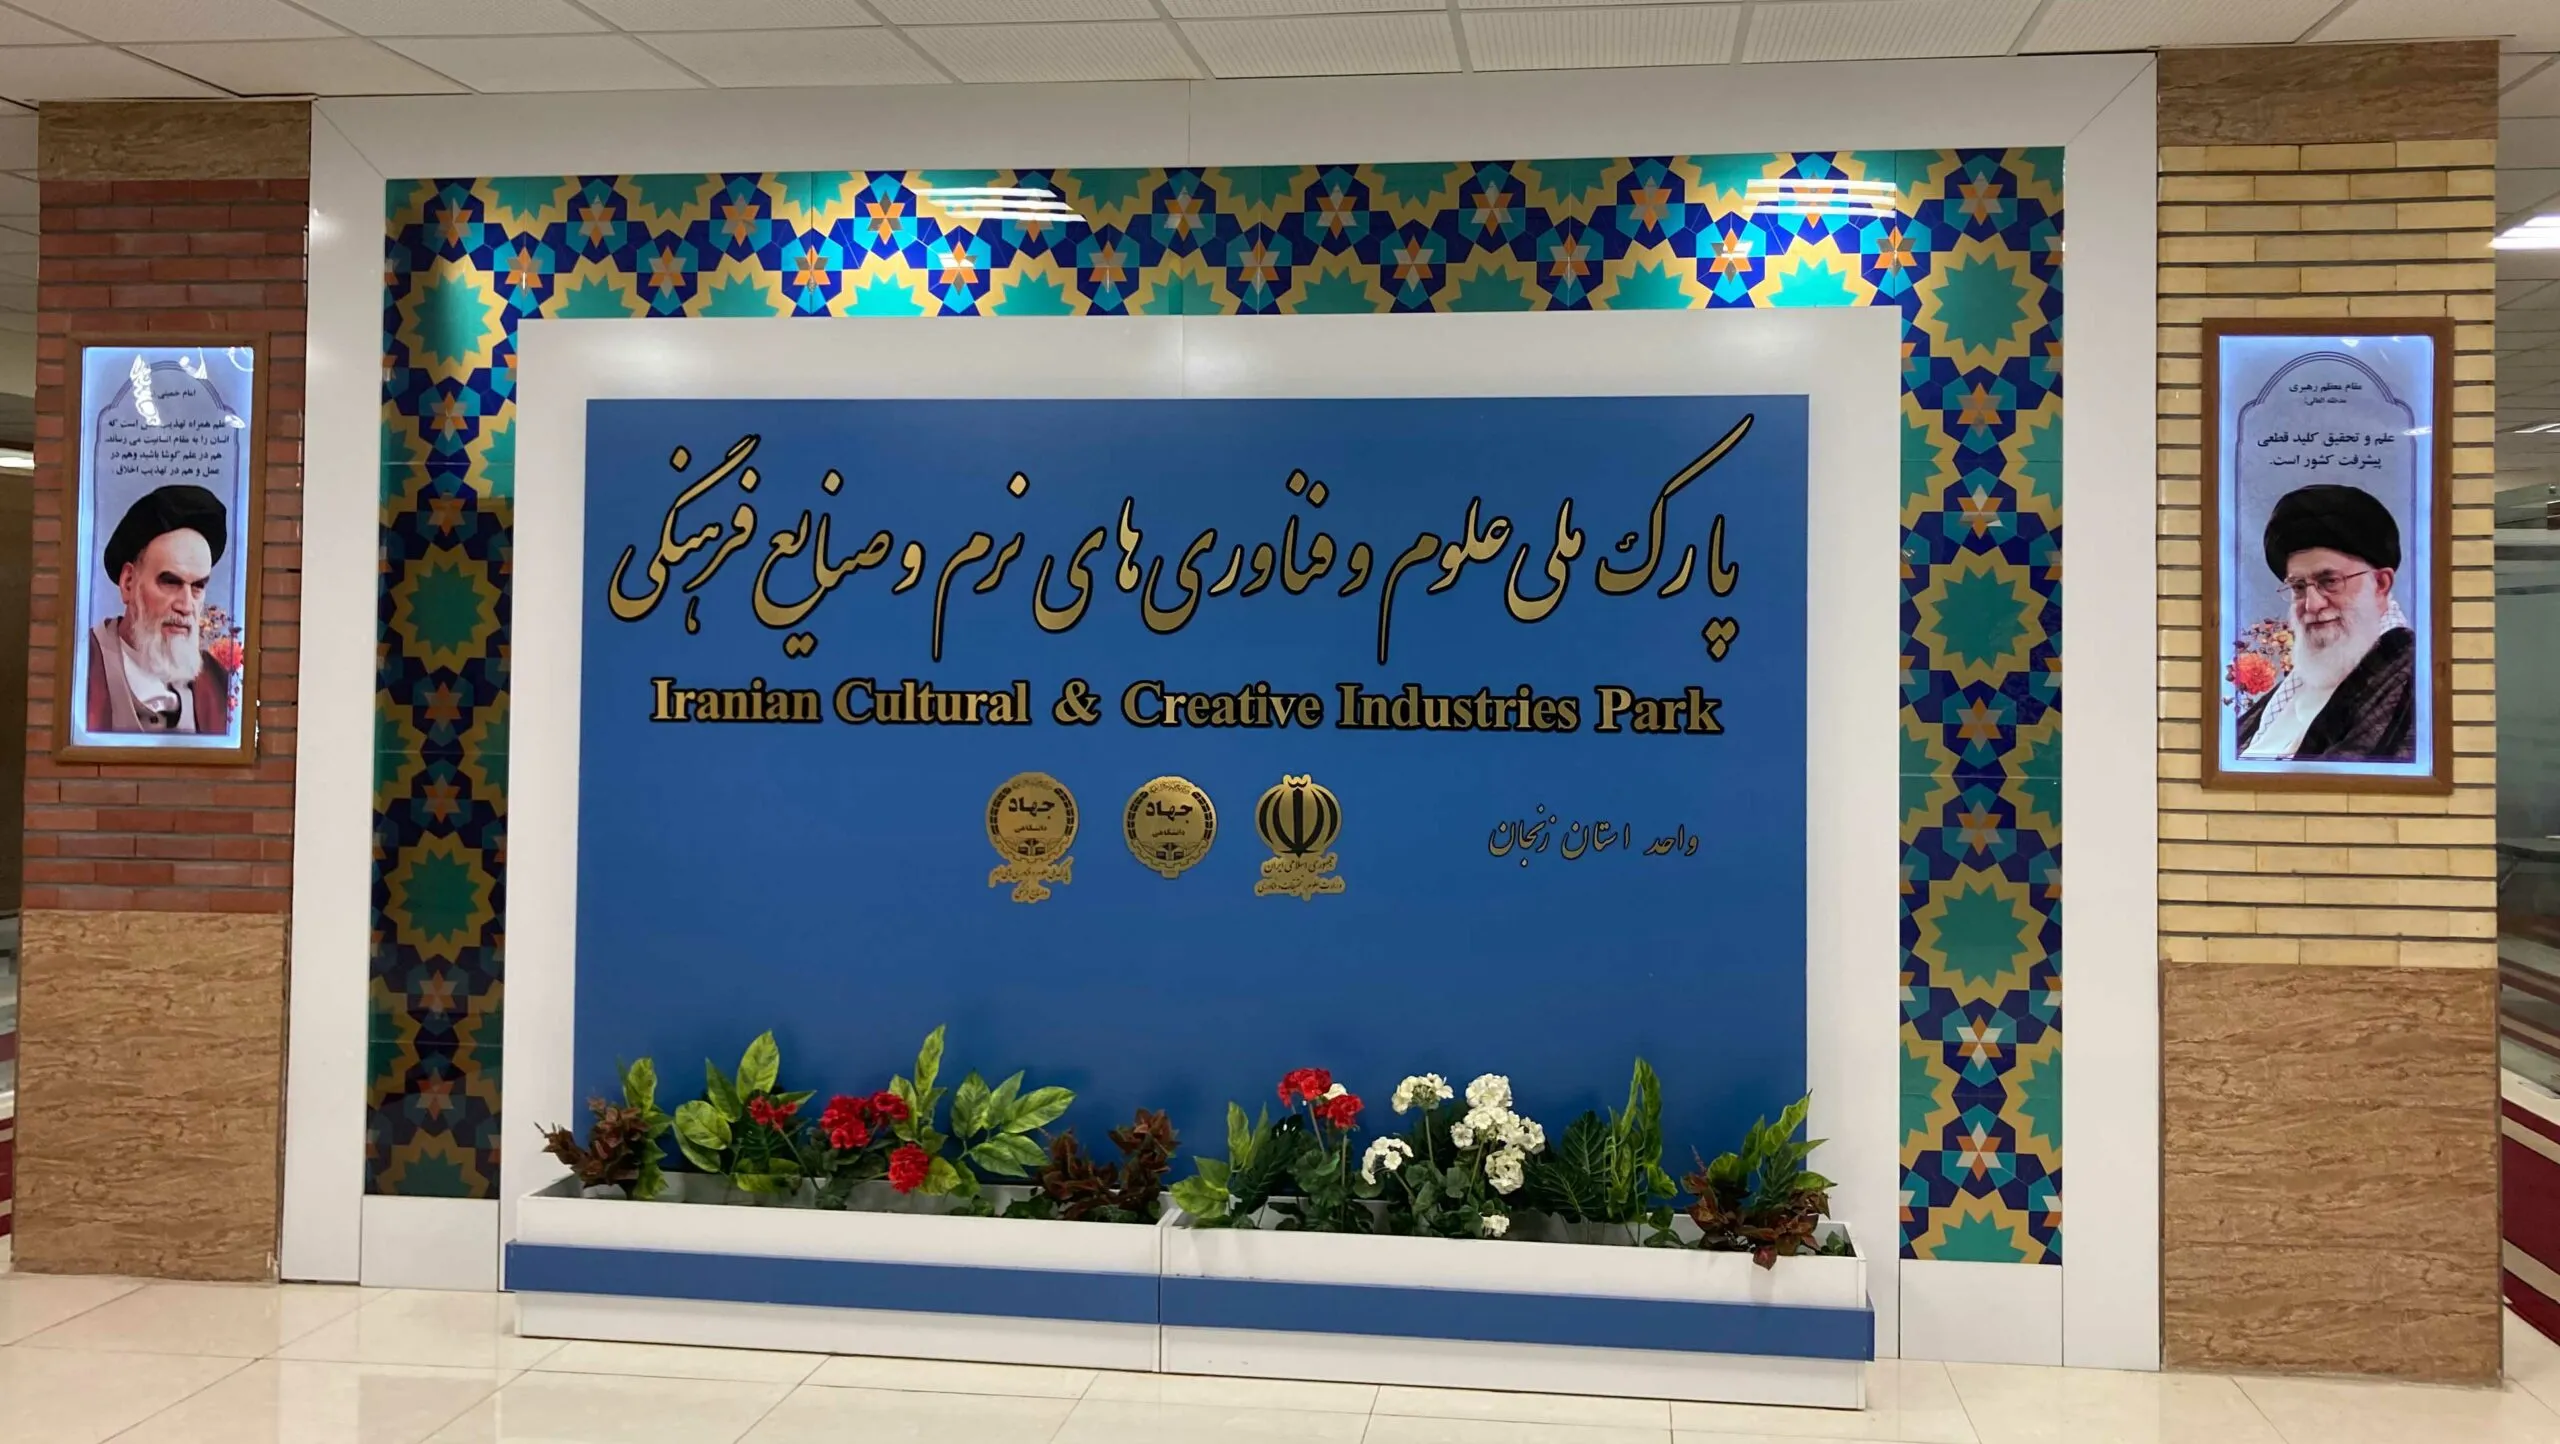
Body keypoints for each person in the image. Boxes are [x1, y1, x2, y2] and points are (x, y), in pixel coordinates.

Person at [2236, 483, 2415, 763]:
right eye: (2298, 587)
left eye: (2329, 581)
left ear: (2380, 583)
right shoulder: (2306, 678)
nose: (2312, 604)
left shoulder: (2411, 677)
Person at [84, 483, 232, 736]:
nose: (186, 606)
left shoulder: (217, 682)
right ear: (128, 583)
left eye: (198, 586)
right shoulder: (83, 666)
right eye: (170, 582)